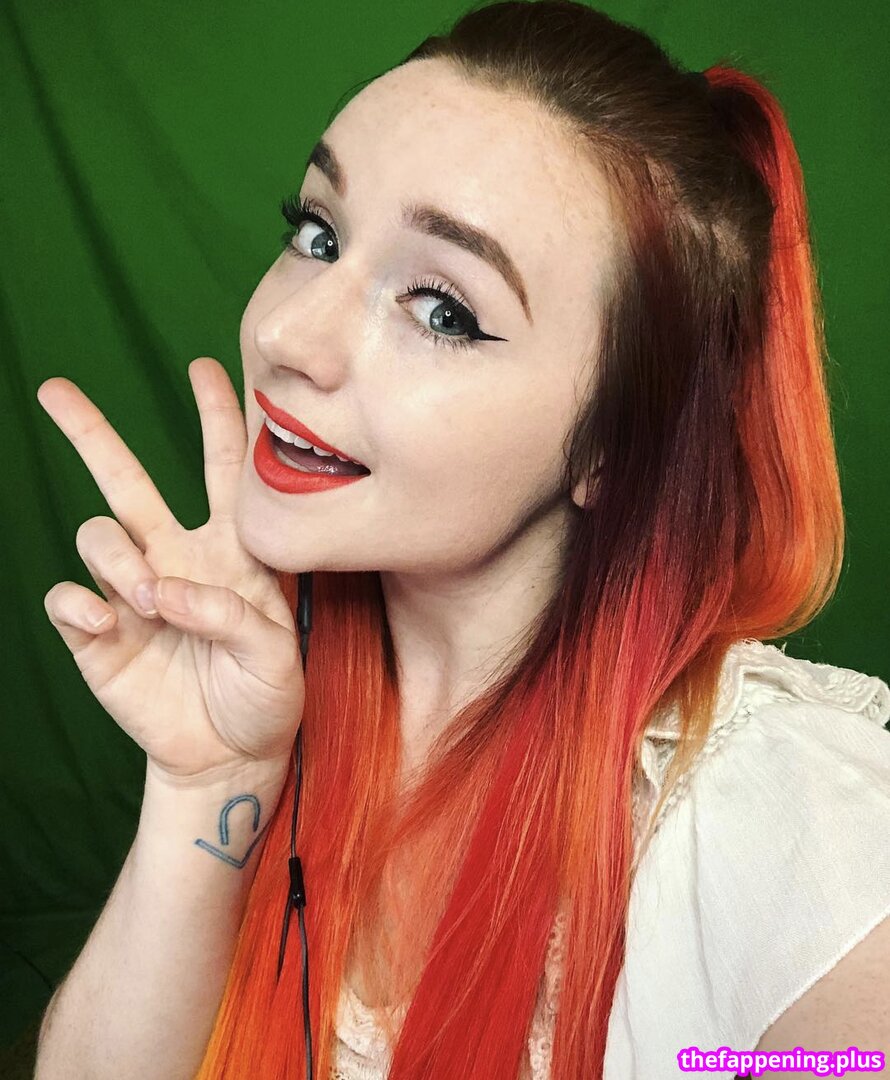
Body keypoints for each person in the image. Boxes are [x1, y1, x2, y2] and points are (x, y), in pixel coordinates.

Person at [32, 1, 890, 1078]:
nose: (285, 334)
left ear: (612, 447)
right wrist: (205, 790)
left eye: (441, 309)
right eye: (316, 235)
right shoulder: (269, 695)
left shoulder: (783, 821)